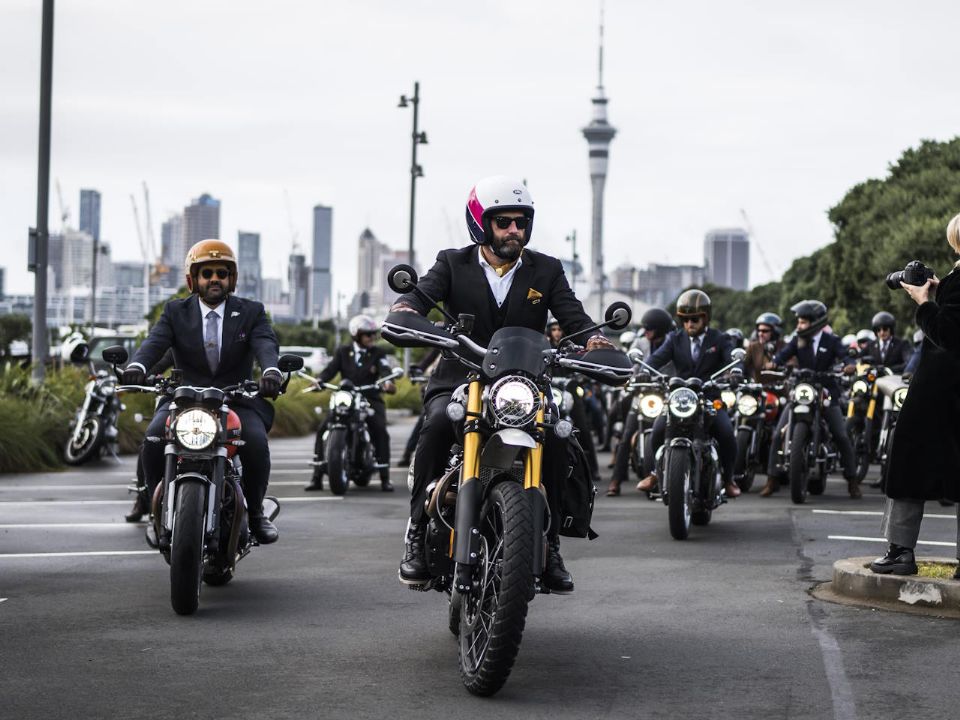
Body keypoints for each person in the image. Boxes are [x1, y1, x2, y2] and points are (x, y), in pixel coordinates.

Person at [391, 175, 613, 593]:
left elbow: (574, 318)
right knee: (437, 423)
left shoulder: (546, 269)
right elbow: (421, 297)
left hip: (523, 383)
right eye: (504, 222)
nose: (514, 230)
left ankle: (549, 542)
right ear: (481, 223)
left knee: (560, 436)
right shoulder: (452, 263)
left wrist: (594, 340)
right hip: (461, 377)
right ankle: (418, 530)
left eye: (521, 222)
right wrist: (405, 307)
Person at [121, 239, 283, 544]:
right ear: (193, 279)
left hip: (237, 400)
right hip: (183, 400)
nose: (214, 279)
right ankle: (157, 514)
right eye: (206, 273)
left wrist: (271, 372)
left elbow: (265, 344)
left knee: (256, 444)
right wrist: (138, 366)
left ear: (231, 279)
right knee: (154, 440)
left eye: (221, 273)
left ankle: (257, 513)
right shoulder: (175, 312)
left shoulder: (251, 312)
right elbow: (154, 343)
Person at [872, 215, 960, 577]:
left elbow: (949, 334)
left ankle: (900, 552)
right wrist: (942, 291)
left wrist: (924, 301)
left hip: (941, 389)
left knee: (905, 458)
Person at [637, 289, 742, 498]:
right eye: (685, 320)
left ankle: (729, 479)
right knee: (657, 430)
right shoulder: (674, 339)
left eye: (694, 319)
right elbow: (656, 359)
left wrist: (736, 370)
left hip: (709, 397)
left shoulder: (718, 338)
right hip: (679, 397)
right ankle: (654, 474)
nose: (689, 324)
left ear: (705, 317)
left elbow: (732, 357)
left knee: (727, 434)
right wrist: (643, 371)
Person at [763, 300, 858, 498]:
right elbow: (782, 356)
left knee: (841, 435)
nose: (799, 326)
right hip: (802, 390)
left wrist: (849, 365)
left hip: (826, 391)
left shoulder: (831, 341)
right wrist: (773, 364)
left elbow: (845, 356)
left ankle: (852, 480)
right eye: (798, 322)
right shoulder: (797, 341)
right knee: (777, 434)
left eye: (803, 322)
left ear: (816, 322)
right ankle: (772, 479)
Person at [305, 315, 397, 492]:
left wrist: (387, 382)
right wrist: (319, 381)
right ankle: (317, 477)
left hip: (370, 398)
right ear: (357, 335)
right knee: (323, 429)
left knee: (380, 430)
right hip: (346, 397)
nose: (372, 337)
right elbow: (329, 370)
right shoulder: (343, 351)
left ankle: (385, 477)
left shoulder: (378, 353)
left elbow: (385, 370)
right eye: (368, 334)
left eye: (373, 334)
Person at [606, 307, 674, 496]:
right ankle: (615, 481)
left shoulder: (672, 343)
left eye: (650, 329)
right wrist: (633, 378)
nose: (647, 332)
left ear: (661, 328)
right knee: (627, 435)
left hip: (666, 395)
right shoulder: (640, 343)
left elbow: (676, 370)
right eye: (645, 329)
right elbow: (632, 367)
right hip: (642, 394)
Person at [546, 318, 601, 479]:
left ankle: (593, 468)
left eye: (559, 329)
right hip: (551, 392)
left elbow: (583, 363)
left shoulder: (571, 347)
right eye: (554, 329)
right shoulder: (543, 347)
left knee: (583, 427)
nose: (557, 332)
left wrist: (581, 376)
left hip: (569, 391)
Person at [396, 347, 440, 468]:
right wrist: (419, 369)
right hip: (439, 387)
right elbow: (428, 359)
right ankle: (408, 453)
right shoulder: (443, 345)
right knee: (425, 418)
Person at [743, 312, 785, 383]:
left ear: (775, 332)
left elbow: (793, 364)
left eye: (765, 331)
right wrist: (736, 371)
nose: (760, 334)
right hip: (757, 390)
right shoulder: (753, 347)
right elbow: (743, 364)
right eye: (759, 330)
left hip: (781, 389)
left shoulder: (785, 347)